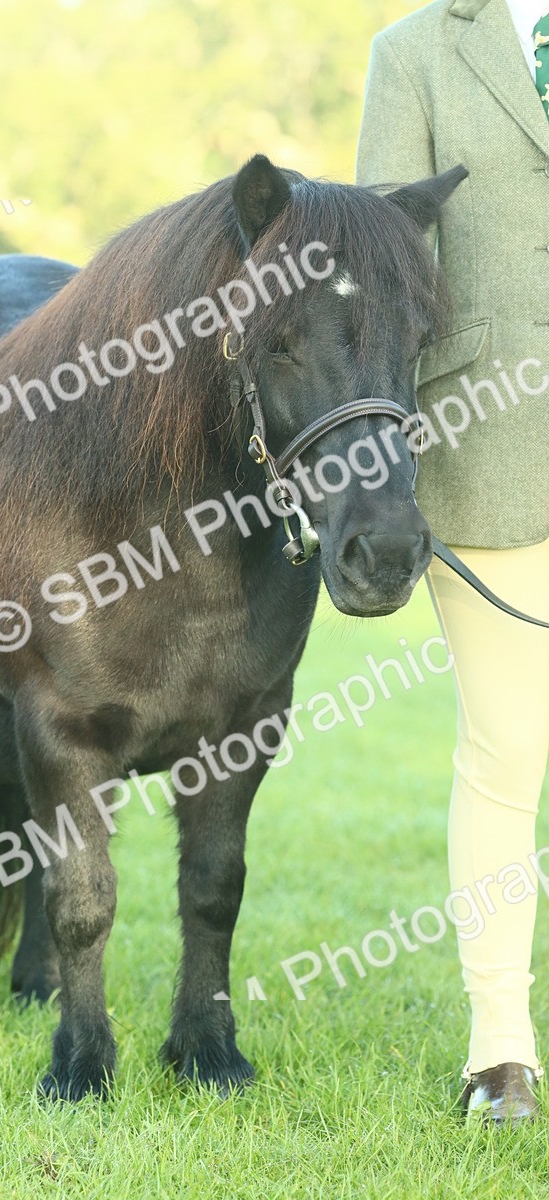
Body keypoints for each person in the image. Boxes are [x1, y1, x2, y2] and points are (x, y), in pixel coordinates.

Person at [356, 0, 549, 1125]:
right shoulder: (415, 49)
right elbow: (381, 264)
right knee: (505, 751)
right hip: (485, 444)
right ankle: (499, 1050)